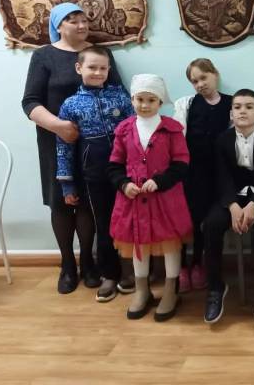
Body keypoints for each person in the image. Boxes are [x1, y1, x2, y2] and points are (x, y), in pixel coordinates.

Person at [21, 2, 124, 294]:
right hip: (55, 140)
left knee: (91, 201)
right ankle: (67, 264)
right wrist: (59, 126)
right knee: (62, 201)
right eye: (72, 20)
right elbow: (30, 102)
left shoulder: (101, 54)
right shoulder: (44, 55)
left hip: (97, 143)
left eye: (84, 20)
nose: (81, 25)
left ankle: (88, 261)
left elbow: (117, 91)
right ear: (58, 25)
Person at [107, 74, 193, 321]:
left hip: (166, 200)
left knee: (170, 244)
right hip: (133, 201)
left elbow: (181, 162)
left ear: (160, 102)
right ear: (132, 99)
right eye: (140, 99)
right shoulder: (124, 129)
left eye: (151, 100)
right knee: (139, 244)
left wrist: (160, 181)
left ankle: (170, 289)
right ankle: (142, 289)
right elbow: (114, 165)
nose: (145, 105)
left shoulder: (172, 129)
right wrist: (123, 184)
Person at [55, 46, 134, 302]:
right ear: (79, 68)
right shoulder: (70, 104)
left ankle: (130, 271)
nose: (98, 72)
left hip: (126, 172)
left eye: (103, 68)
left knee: (129, 220)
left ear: (109, 69)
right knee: (104, 223)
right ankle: (108, 274)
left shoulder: (121, 97)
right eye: (92, 67)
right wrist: (67, 185)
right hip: (94, 174)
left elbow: (136, 131)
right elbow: (63, 147)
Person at [202, 89, 254, 324]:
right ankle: (216, 287)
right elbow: (221, 177)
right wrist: (233, 206)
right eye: (237, 107)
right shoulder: (222, 140)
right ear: (231, 113)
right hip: (231, 197)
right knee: (212, 224)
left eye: (249, 107)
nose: (242, 111)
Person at [173, 59, 233, 292]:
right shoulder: (187, 104)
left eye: (203, 78)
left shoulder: (231, 103)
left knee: (204, 221)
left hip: (216, 173)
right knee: (185, 219)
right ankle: (181, 265)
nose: (199, 84)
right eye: (194, 81)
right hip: (190, 173)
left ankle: (199, 262)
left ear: (215, 74)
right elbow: (178, 137)